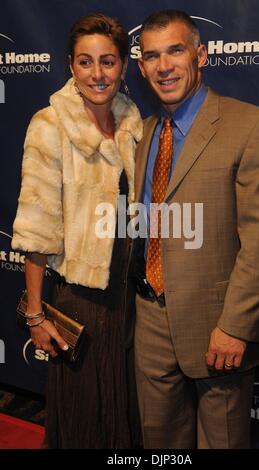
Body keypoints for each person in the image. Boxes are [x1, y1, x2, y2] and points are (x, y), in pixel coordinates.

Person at [131, 9, 259, 449]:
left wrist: (237, 326)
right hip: (149, 319)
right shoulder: (143, 133)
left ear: (200, 54)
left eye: (175, 51)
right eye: (151, 56)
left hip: (217, 325)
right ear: (141, 67)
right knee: (158, 443)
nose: (164, 66)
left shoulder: (252, 125)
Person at [12, 13, 143, 449]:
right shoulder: (50, 125)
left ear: (123, 65)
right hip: (82, 302)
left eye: (108, 61)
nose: (97, 73)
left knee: (125, 417)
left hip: (132, 300)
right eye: (85, 62)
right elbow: (36, 230)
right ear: (70, 64)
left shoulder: (132, 124)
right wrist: (35, 316)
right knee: (84, 421)